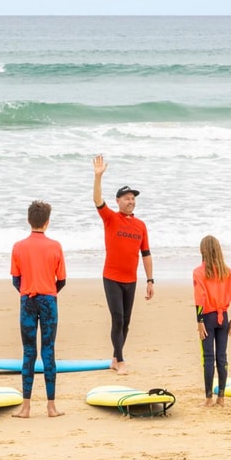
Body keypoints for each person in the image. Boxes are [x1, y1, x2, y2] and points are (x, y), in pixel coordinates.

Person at [92, 154, 154, 376]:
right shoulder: (110, 218)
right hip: (112, 277)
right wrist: (98, 177)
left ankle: (114, 358)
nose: (131, 201)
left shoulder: (140, 225)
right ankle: (121, 360)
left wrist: (150, 280)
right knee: (117, 317)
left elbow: (145, 253)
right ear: (118, 201)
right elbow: (97, 200)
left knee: (126, 322)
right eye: (127, 198)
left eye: (133, 198)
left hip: (131, 279)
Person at [10, 200, 67, 418]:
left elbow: (16, 279)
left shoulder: (18, 246)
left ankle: (26, 407)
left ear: (28, 220)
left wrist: (28, 291)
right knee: (48, 351)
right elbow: (61, 280)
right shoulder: (55, 246)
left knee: (28, 352)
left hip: (27, 301)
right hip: (49, 302)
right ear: (47, 222)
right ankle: (51, 407)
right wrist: (48, 292)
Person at [193, 235, 231, 406]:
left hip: (207, 318)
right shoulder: (227, 271)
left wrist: (199, 322)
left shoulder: (199, 272)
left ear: (202, 251)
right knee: (222, 357)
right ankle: (221, 398)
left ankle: (208, 398)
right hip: (224, 318)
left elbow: (200, 299)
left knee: (208, 357)